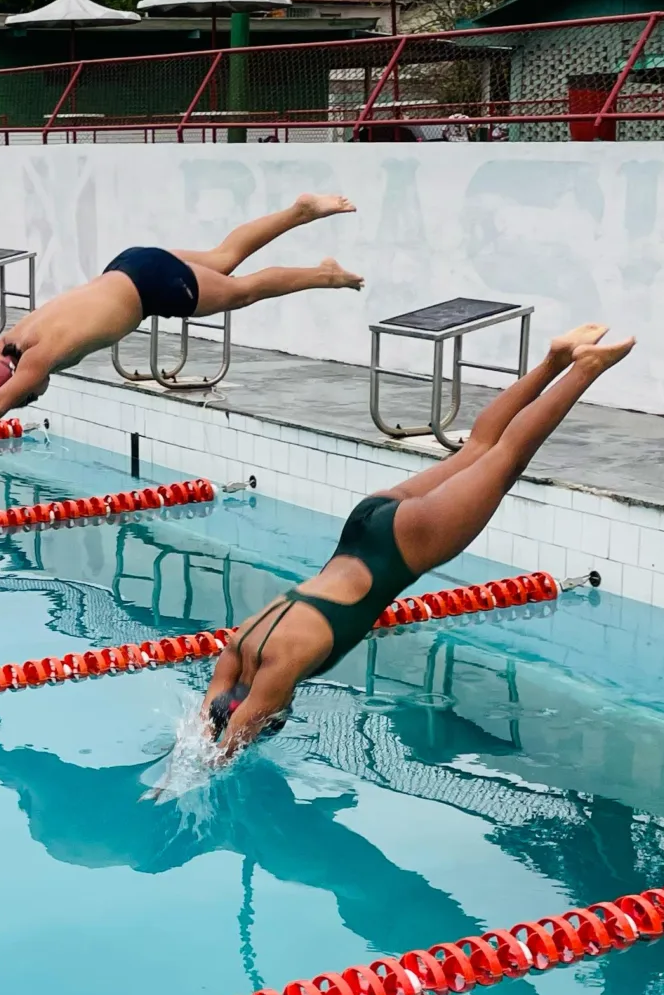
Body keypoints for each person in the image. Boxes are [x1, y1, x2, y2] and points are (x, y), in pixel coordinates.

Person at [201, 323, 633, 755]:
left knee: (505, 459)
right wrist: (192, 749)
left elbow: (239, 727)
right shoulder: (240, 644)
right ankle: (554, 360)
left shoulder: (278, 673)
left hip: (403, 547)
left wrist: (217, 760)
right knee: (477, 447)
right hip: (364, 525)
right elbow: (215, 708)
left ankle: (583, 370)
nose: (284, 708)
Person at [0, 193, 362, 480]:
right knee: (223, 257)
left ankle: (324, 275)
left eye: (30, 397)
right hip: (129, 263)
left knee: (242, 291)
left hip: (151, 288)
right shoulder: (9, 341)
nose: (34, 396)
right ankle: (298, 212)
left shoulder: (34, 361)